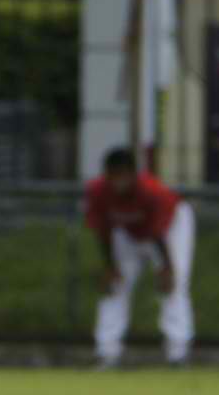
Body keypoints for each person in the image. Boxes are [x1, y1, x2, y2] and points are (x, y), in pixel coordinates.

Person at [83, 147, 195, 369]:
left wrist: (167, 267)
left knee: (175, 284)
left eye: (124, 175)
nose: (119, 182)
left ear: (135, 174)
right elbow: (103, 230)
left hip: (172, 228)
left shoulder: (152, 191)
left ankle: (178, 352)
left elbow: (158, 233)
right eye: (113, 175)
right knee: (114, 286)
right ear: (106, 174)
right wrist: (110, 266)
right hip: (128, 232)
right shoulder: (97, 190)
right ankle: (107, 352)